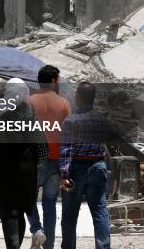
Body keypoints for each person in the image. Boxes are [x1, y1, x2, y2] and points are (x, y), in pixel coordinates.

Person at [0, 78, 47, 249]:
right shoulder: (29, 111)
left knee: (8, 213)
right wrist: (37, 167)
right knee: (18, 211)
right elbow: (41, 147)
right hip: (25, 170)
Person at [59, 82, 110, 249]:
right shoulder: (102, 120)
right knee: (100, 212)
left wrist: (64, 175)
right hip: (98, 166)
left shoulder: (71, 121)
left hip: (76, 170)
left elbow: (67, 150)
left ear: (78, 97)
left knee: (70, 214)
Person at [27, 65, 71, 249]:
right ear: (52, 80)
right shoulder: (64, 104)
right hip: (55, 160)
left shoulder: (29, 101)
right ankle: (49, 245)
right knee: (50, 205)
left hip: (34, 160)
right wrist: (66, 169)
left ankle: (37, 229)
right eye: (58, 78)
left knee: (27, 198)